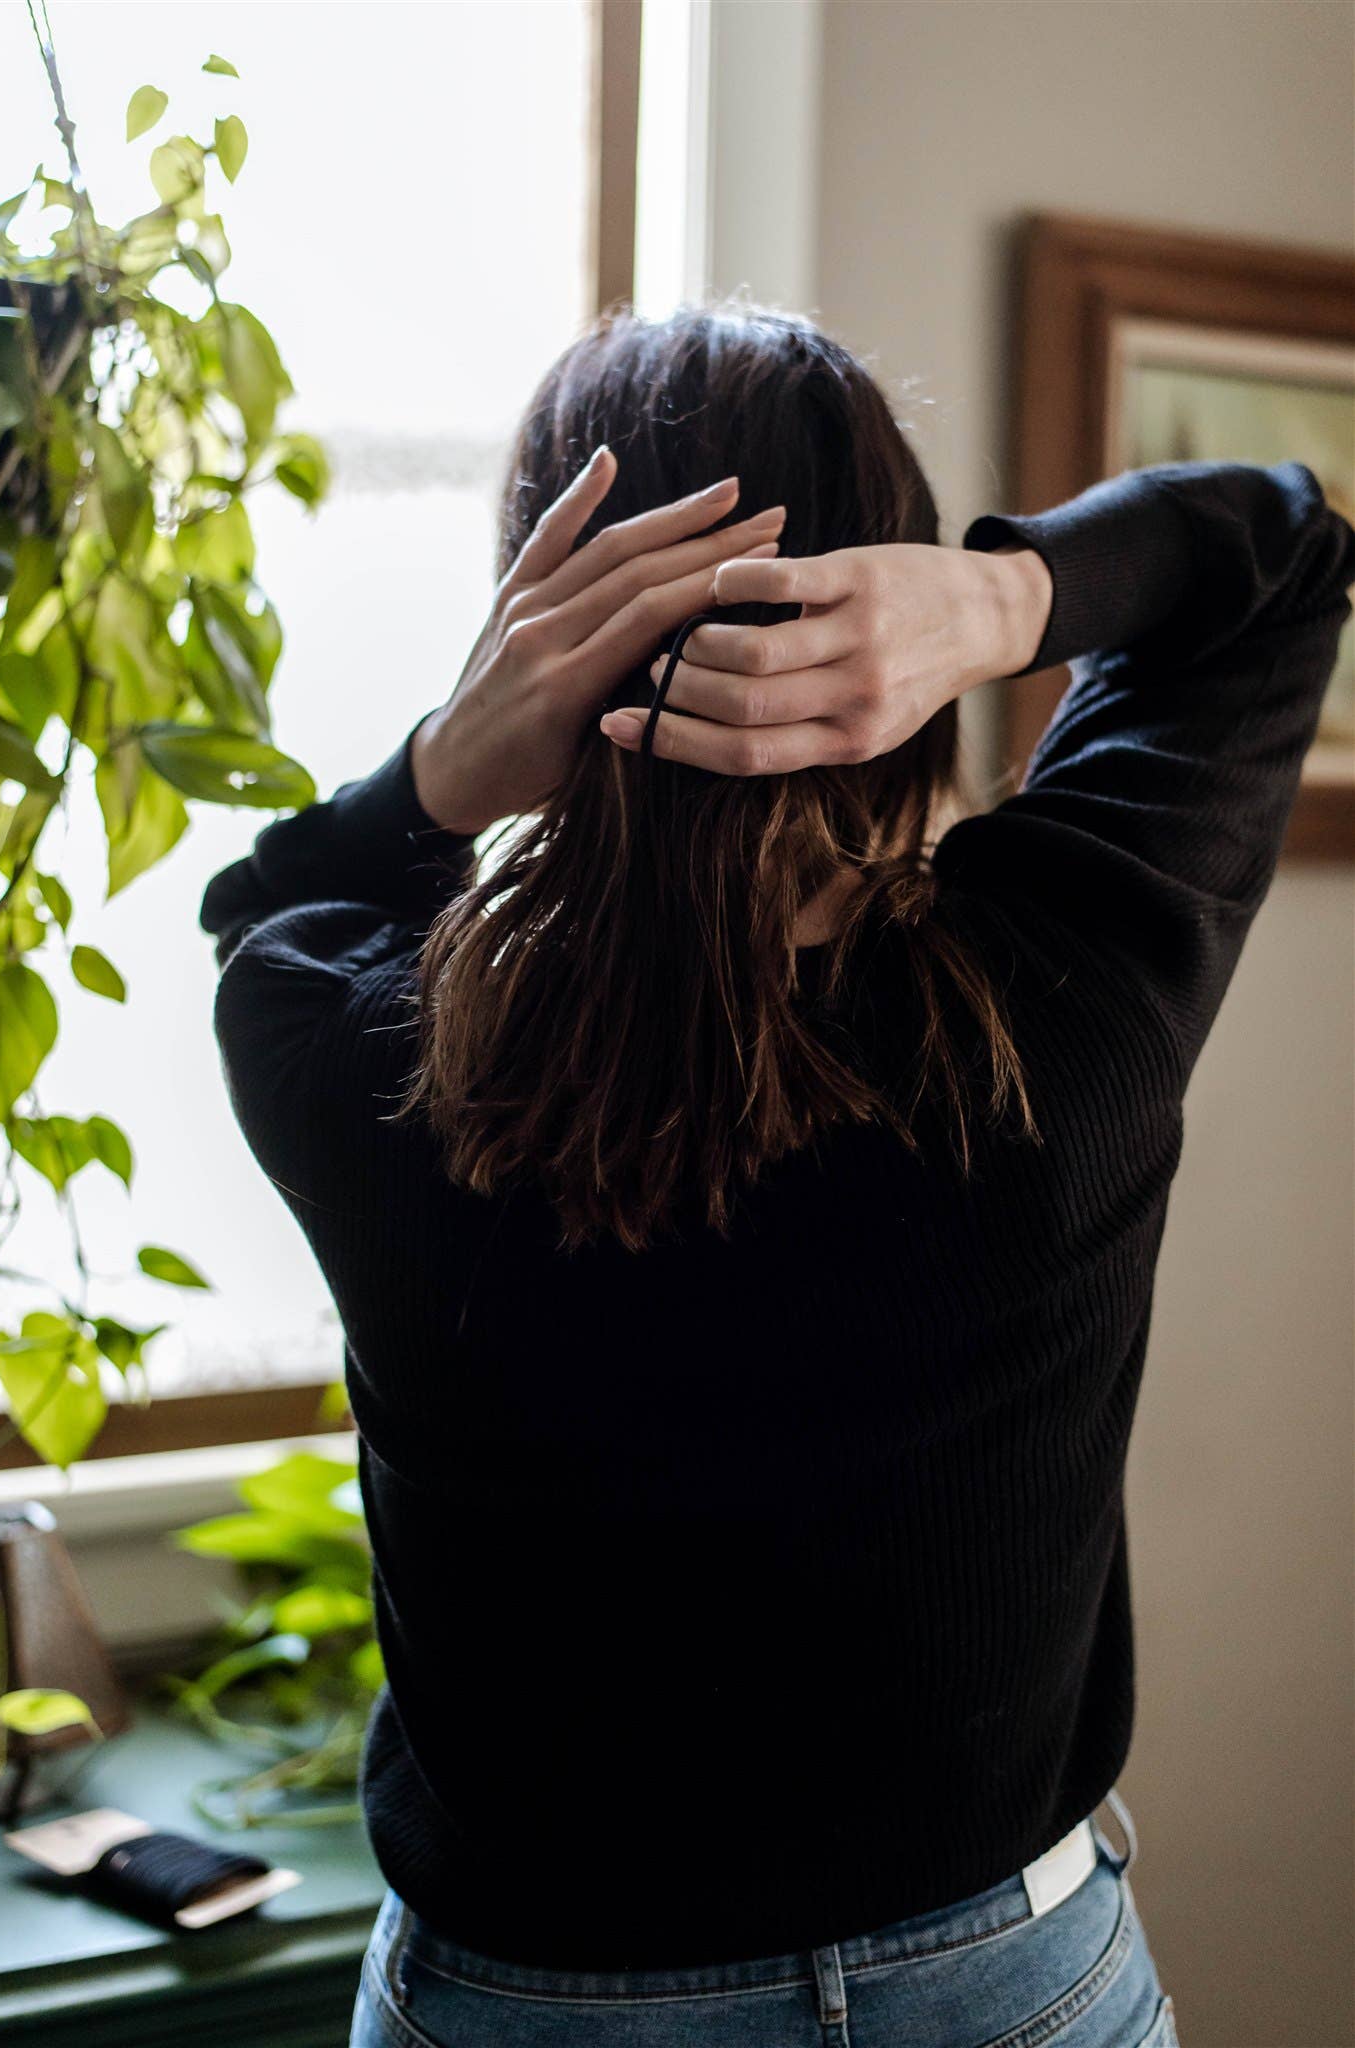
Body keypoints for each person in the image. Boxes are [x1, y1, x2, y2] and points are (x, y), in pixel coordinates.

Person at [201, 308, 1354, 2048]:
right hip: (1007, 1989)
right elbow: (1282, 551)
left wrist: (448, 760)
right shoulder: (1069, 991)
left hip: (524, 2008)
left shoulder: (359, 1057)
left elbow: (265, 906)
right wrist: (1003, 603)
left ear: (535, 634)